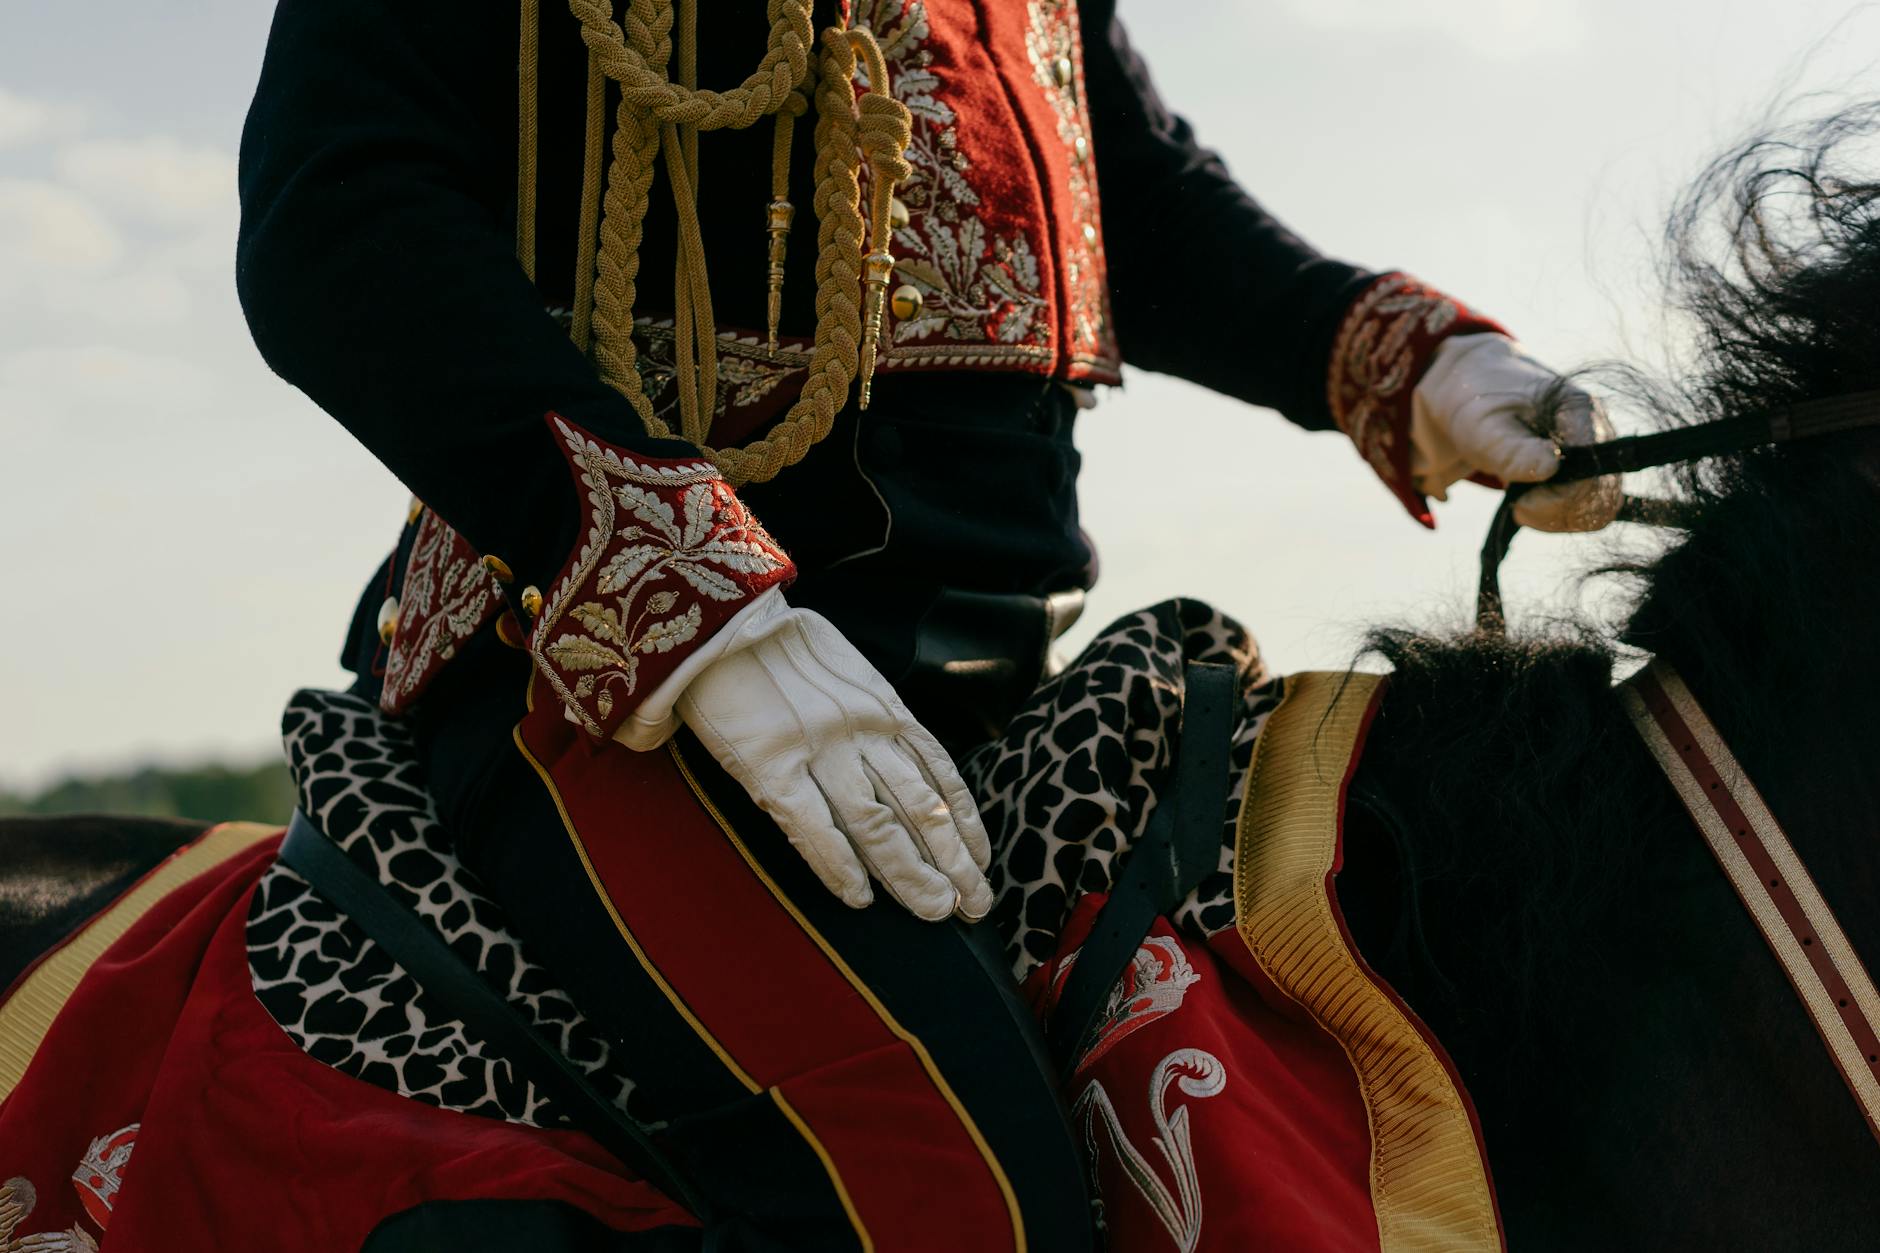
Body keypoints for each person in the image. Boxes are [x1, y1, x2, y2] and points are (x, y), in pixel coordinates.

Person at [234, 0, 1619, 1244]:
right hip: (608, 674)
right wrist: (696, 599)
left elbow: (1114, 181)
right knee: (949, 1205)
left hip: (1008, 666)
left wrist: (1405, 356)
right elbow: (336, 204)